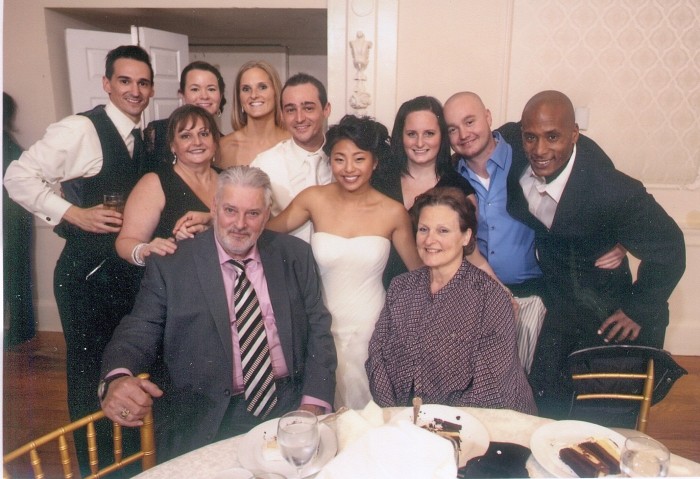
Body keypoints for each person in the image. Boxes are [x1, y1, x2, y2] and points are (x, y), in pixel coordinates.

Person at [100, 166, 337, 461]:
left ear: (266, 215)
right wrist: (117, 377)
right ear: (213, 208)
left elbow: (318, 330)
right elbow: (138, 329)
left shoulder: (294, 254)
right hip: (211, 416)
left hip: (288, 405)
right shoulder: (173, 264)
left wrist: (311, 405)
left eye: (252, 213)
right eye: (230, 210)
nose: (239, 224)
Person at [3, 45, 154, 473]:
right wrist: (73, 213)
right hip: (85, 276)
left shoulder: (139, 138)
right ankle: (96, 467)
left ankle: (126, 462)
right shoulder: (81, 129)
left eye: (142, 82)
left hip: (124, 276)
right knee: (90, 375)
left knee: (121, 368)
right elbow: (16, 176)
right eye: (124, 81)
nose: (134, 90)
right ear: (107, 84)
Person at [503, 90, 686, 418]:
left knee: (602, 417)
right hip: (559, 305)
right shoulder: (517, 148)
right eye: (531, 137)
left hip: (605, 309)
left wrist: (638, 308)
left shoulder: (612, 190)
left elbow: (670, 247)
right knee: (543, 410)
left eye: (553, 137)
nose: (540, 149)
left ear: (575, 134)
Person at [267, 114, 422, 410]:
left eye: (359, 159)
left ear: (374, 162)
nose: (349, 169)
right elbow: (264, 233)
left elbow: (419, 273)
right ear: (330, 161)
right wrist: (212, 221)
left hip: (374, 328)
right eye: (340, 159)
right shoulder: (313, 199)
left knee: (372, 417)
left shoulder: (393, 212)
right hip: (321, 327)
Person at [366, 187, 536, 414]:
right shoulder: (401, 287)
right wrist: (395, 415)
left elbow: (491, 386)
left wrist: (435, 428)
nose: (430, 240)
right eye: (423, 229)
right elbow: (377, 356)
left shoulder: (490, 297)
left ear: (466, 236)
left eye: (443, 230)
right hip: (406, 423)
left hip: (483, 427)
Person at [373, 95, 496, 288]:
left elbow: (472, 255)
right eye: (412, 134)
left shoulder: (459, 188)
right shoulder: (379, 182)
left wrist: (502, 294)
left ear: (442, 136)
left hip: (435, 300)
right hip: (376, 295)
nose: (420, 143)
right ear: (400, 136)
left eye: (429, 133)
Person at [116, 105, 220, 266]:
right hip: (174, 283)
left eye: (204, 134)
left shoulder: (230, 180)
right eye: (186, 136)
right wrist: (145, 250)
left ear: (214, 141)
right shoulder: (154, 183)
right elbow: (125, 242)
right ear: (172, 145)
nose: (197, 142)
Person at [251, 73, 333, 242]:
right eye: (290, 110)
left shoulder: (347, 161)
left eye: (308, 108)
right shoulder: (264, 164)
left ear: (326, 109)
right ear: (282, 114)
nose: (299, 118)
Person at [143, 61, 226, 169]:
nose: (204, 96)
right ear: (182, 95)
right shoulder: (158, 132)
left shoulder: (224, 141)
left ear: (220, 96)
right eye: (195, 89)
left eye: (211, 89)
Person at [3, 92, 35, 348]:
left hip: (11, 223)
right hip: (12, 223)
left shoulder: (10, 150)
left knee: (15, 276)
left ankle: (21, 330)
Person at [217, 60, 289, 168]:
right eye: (246, 89)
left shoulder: (293, 143)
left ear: (276, 93)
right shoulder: (222, 147)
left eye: (262, 87)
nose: (254, 95)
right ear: (239, 97)